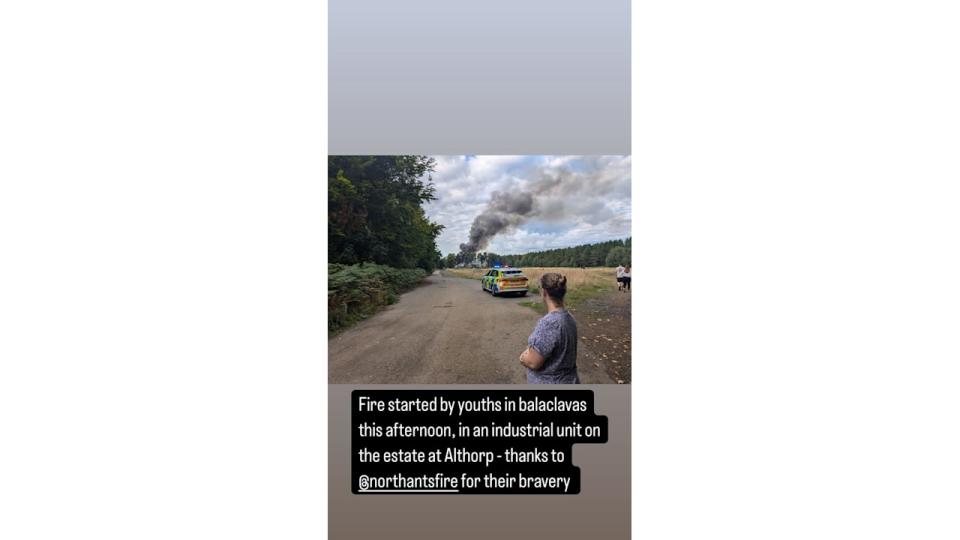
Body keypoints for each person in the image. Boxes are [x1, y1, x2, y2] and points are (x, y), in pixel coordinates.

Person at [519, 273, 579, 384]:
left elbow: (533, 362)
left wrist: (522, 358)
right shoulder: (569, 318)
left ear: (544, 292)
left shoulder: (549, 324)